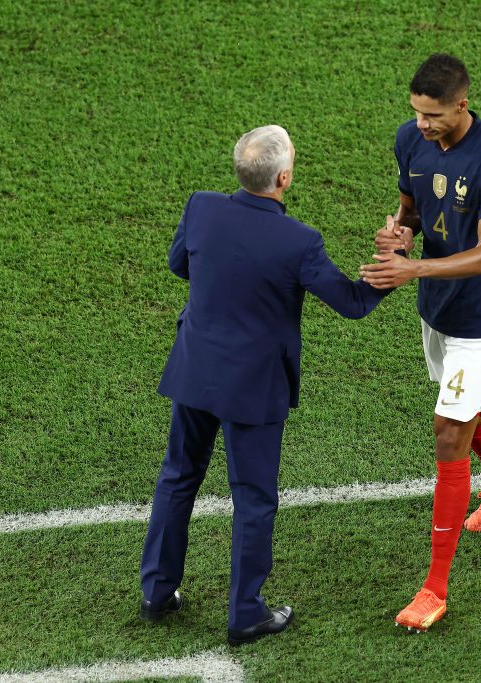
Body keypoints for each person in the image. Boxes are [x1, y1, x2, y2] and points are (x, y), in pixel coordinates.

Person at [140, 125, 391, 646]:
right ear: (284, 177)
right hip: (253, 388)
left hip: (195, 369)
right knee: (253, 499)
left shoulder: (202, 207)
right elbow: (352, 303)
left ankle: (156, 593)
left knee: (178, 477)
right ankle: (245, 613)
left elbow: (177, 264)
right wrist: (390, 266)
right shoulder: (298, 241)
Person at [360, 54, 481, 633]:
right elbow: (411, 206)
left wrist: (411, 272)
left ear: (461, 103)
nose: (422, 125)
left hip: (480, 317)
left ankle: (434, 588)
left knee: (449, 429)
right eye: (416, 113)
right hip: (436, 307)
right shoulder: (410, 139)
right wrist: (398, 233)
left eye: (432, 115)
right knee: (469, 406)